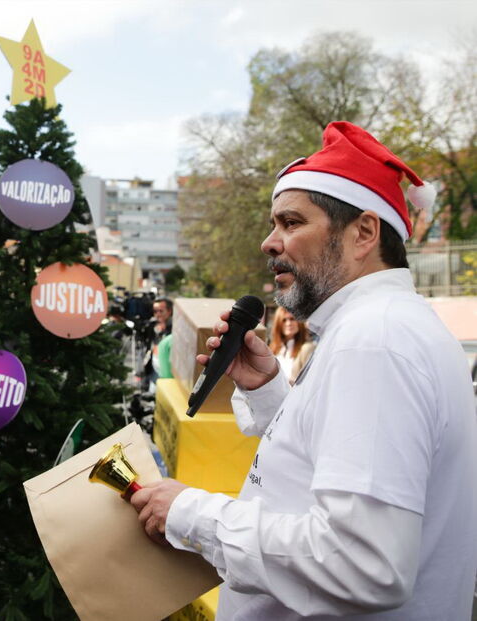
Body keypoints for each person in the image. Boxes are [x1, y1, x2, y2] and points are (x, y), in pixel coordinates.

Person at [130, 122, 477, 619]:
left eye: (291, 223)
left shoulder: (375, 340)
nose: (269, 243)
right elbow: (340, 464)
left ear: (363, 233)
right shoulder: (380, 329)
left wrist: (191, 513)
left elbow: (363, 563)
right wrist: (274, 394)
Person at [268, 306, 315, 383]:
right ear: (278, 324)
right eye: (284, 320)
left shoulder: (307, 348)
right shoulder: (273, 349)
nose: (289, 323)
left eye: (292, 319)